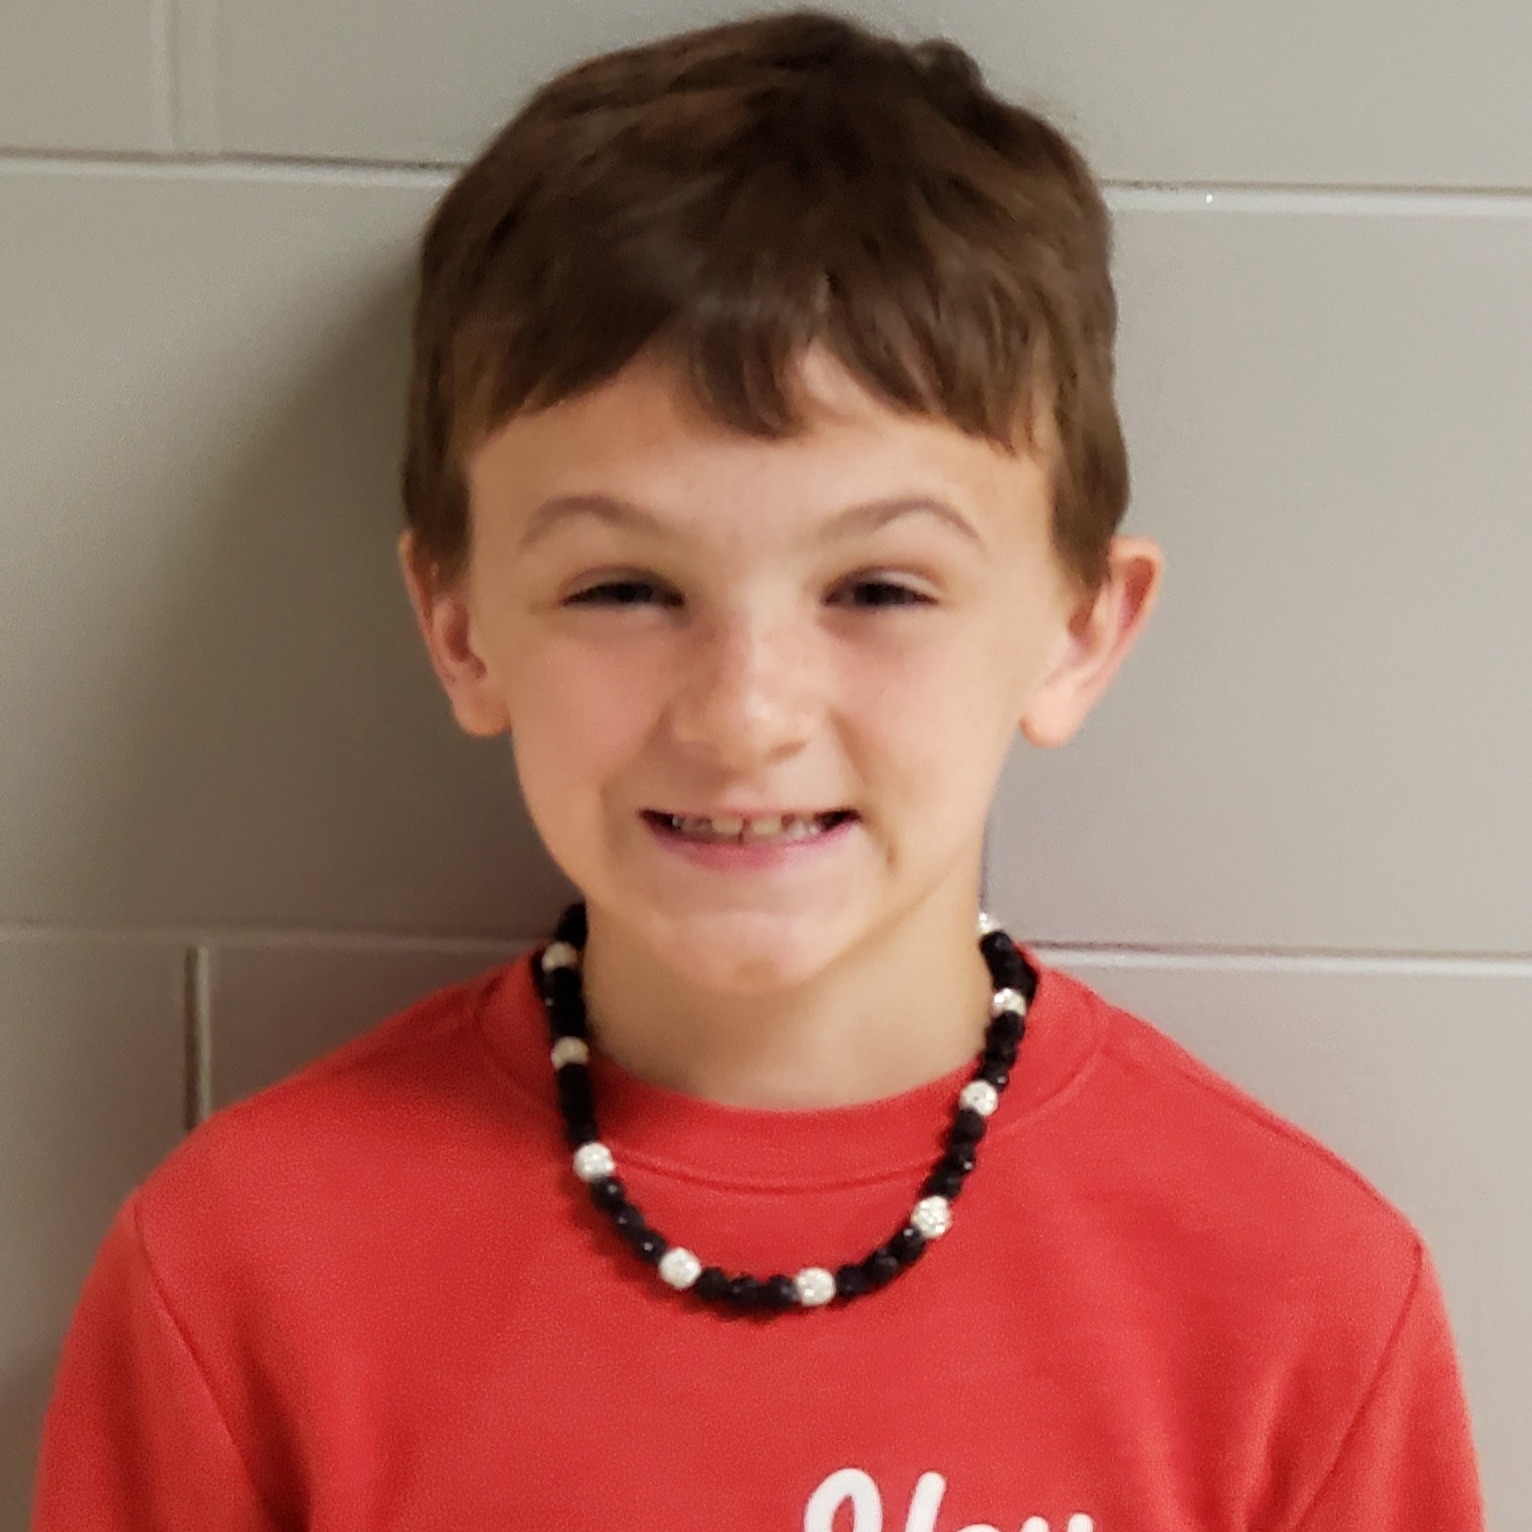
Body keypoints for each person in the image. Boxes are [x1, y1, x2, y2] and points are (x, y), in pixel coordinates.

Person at [32, 9, 1483, 1529]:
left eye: (879, 590)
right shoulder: (240, 1275)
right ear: (462, 630)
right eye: (623, 590)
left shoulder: (1296, 1307)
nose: (745, 714)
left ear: (1076, 632)